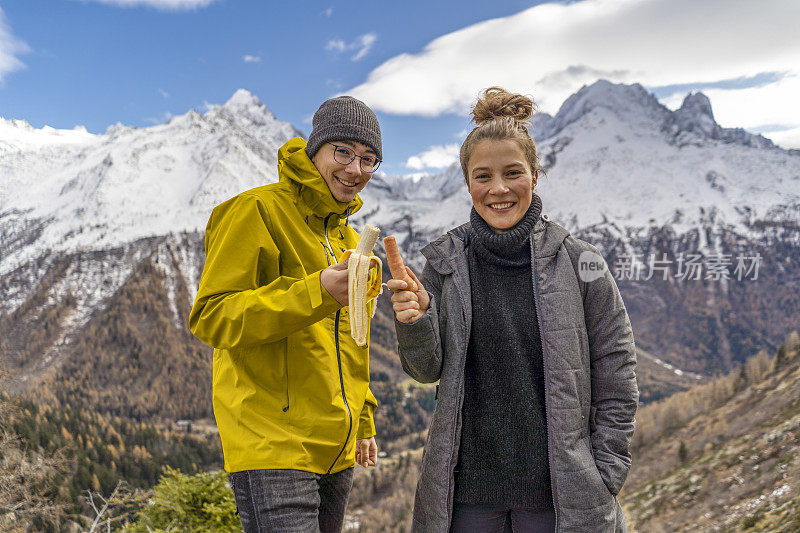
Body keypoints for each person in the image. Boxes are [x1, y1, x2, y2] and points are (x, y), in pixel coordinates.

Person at [388, 87, 638, 532]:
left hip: (560, 497)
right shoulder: (445, 263)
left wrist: (606, 471)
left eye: (512, 173)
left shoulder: (581, 262)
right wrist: (416, 322)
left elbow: (616, 368)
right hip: (466, 499)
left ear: (535, 175)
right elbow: (426, 370)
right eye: (482, 176)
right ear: (467, 183)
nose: (498, 189)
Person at [189, 95, 383, 533]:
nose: (356, 169)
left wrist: (364, 421)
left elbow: (356, 343)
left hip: (335, 447)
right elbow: (212, 316)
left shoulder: (349, 237)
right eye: (344, 153)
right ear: (314, 151)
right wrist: (315, 292)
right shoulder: (255, 210)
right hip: (273, 442)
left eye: (368, 159)